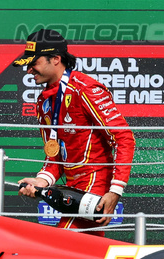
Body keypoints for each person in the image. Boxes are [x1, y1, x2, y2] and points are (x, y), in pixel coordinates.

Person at [14, 28, 134, 232]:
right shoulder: (44, 101)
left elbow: (124, 138)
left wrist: (114, 192)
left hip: (95, 185)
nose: (29, 70)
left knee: (61, 247)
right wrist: (40, 181)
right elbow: (55, 156)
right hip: (70, 191)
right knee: (79, 253)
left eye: (34, 63)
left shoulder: (84, 89)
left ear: (55, 59)